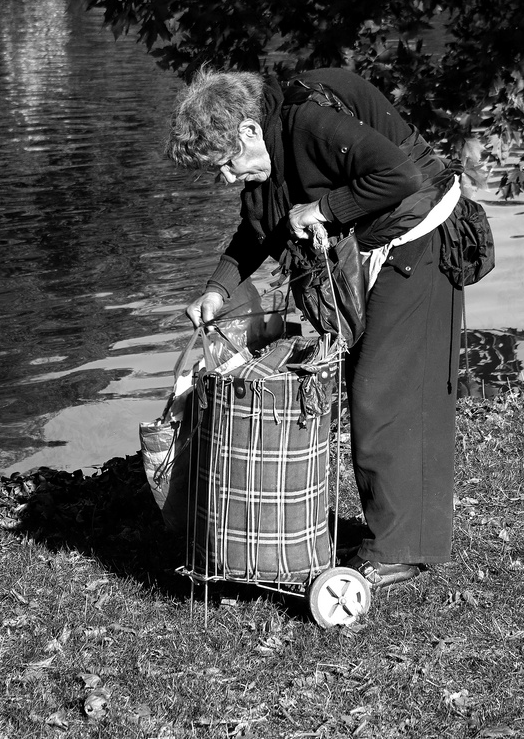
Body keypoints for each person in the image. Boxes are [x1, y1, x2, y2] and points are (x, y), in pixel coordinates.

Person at [165, 66, 463, 591]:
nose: (229, 179)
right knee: (372, 389)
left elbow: (401, 175)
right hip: (381, 246)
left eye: (228, 164)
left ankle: (400, 549)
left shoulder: (308, 126)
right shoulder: (269, 154)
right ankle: (394, 533)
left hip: (421, 237)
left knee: (384, 393)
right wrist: (216, 289)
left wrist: (323, 207)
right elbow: (259, 228)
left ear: (249, 131)